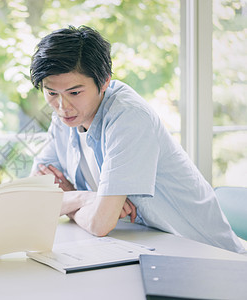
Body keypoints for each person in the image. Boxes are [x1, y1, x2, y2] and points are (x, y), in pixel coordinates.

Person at [30, 25, 245, 253]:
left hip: (207, 256)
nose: (62, 107)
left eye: (74, 93)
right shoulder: (65, 120)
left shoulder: (129, 117)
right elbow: (35, 199)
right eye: (52, 93)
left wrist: (71, 200)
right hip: (145, 247)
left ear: (104, 81)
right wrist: (89, 199)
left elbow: (100, 223)